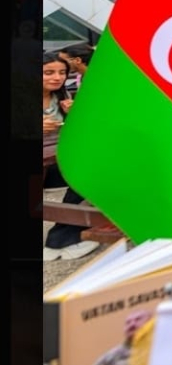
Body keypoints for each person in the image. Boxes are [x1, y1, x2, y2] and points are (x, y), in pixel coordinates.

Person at [43, 51, 100, 261]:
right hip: (48, 166)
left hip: (57, 161)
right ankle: (63, 237)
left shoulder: (61, 95)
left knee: (93, 171)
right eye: (48, 73)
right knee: (86, 172)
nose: (57, 77)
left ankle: (61, 237)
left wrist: (74, 114)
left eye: (61, 73)